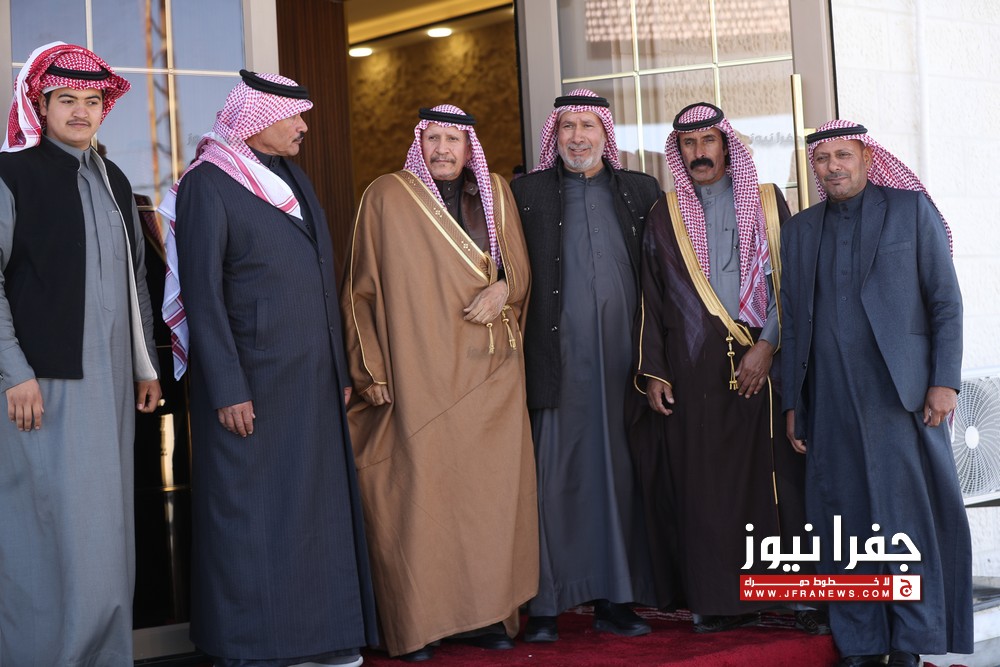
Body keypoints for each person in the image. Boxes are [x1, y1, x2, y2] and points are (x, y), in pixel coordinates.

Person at [160, 70, 377, 667]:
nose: (303, 127)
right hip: (251, 385)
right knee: (252, 516)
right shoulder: (208, 184)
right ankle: (254, 647)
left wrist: (340, 372)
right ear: (254, 119)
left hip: (311, 380)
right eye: (293, 116)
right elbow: (202, 296)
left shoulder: (293, 176)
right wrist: (228, 387)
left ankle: (322, 639)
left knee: (315, 513)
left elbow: (319, 278)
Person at [342, 105, 538, 661]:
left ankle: (485, 617)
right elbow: (358, 290)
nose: (443, 149)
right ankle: (419, 624)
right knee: (418, 497)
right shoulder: (385, 196)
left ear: (468, 144)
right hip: (418, 374)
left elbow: (520, 272)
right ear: (418, 143)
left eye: (453, 139)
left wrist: (503, 289)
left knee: (489, 501)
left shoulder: (495, 191)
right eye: (433, 139)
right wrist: (370, 370)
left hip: (490, 374)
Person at [781, 120, 972, 667]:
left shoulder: (910, 210)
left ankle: (910, 643)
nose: (833, 167)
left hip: (901, 396)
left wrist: (944, 381)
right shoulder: (801, 230)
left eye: (843, 155)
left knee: (906, 521)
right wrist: (794, 402)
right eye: (822, 159)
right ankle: (861, 644)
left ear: (867, 158)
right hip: (830, 398)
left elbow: (945, 301)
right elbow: (792, 319)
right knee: (842, 523)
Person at [0, 41, 161, 665]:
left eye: (92, 101)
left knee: (105, 533)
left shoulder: (115, 179)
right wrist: (15, 372)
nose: (80, 112)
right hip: (42, 384)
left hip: (112, 383)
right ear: (40, 106)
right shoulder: (12, 173)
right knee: (48, 532)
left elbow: (135, 276)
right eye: (66, 99)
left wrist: (145, 366)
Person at [636, 102, 821, 634]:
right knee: (708, 488)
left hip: (765, 366)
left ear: (725, 145)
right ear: (679, 151)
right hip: (693, 372)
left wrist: (768, 345)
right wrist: (655, 371)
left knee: (779, 482)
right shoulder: (664, 214)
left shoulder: (766, 202)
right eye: (688, 144)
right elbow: (650, 296)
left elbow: (791, 282)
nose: (699, 152)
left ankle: (796, 597)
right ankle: (719, 600)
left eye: (708, 141)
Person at [510, 89, 659, 642]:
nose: (577, 137)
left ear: (605, 134)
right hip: (555, 361)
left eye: (588, 126)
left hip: (624, 363)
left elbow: (663, 276)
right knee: (553, 477)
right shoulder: (526, 193)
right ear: (555, 134)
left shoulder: (640, 190)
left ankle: (615, 601)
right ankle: (546, 605)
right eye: (568, 126)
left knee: (620, 478)